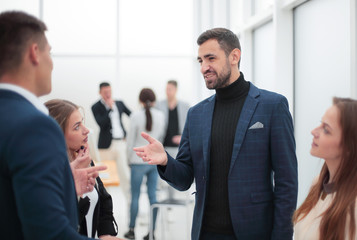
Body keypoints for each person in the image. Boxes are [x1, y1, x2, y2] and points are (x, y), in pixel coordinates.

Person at [133, 27, 298, 240]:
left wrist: (282, 236)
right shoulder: (196, 114)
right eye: (200, 61)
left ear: (234, 56)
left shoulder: (272, 106)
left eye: (210, 58)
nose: (204, 67)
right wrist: (165, 160)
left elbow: (287, 182)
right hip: (206, 233)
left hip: (255, 231)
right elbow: (184, 179)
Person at [0, 10, 113, 240]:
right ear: (34, 53)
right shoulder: (34, 126)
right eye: (50, 53)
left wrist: (65, 184)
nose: (52, 64)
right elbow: (48, 233)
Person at [45, 99, 124, 240]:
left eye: (82, 122)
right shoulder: (48, 173)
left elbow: (104, 201)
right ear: (57, 135)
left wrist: (105, 234)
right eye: (77, 127)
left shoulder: (83, 159)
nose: (86, 130)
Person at [293, 97, 357, 240]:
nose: (313, 131)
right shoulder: (318, 184)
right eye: (320, 124)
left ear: (349, 147)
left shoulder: (353, 206)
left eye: (326, 130)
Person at [124, 88, 165, 240]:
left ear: (140, 100)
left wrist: (129, 159)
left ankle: (131, 230)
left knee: (134, 196)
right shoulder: (161, 116)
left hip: (137, 161)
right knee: (153, 196)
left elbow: (130, 142)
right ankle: (152, 232)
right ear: (153, 100)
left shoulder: (135, 116)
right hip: (154, 161)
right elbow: (160, 138)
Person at [92, 82, 131, 199]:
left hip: (120, 143)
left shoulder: (119, 103)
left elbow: (132, 115)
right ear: (100, 93)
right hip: (105, 146)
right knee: (105, 176)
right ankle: (105, 203)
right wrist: (109, 109)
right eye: (105, 92)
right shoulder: (96, 107)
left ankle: (130, 202)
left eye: (109, 92)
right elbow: (101, 124)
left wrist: (127, 134)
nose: (108, 94)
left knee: (124, 174)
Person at [156, 80, 190, 199]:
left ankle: (174, 199)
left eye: (170, 89)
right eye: (166, 89)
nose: (167, 92)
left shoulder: (185, 106)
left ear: (175, 90)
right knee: (164, 173)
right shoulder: (159, 105)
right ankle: (168, 200)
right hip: (163, 145)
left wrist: (182, 137)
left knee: (176, 173)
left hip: (178, 147)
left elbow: (189, 126)